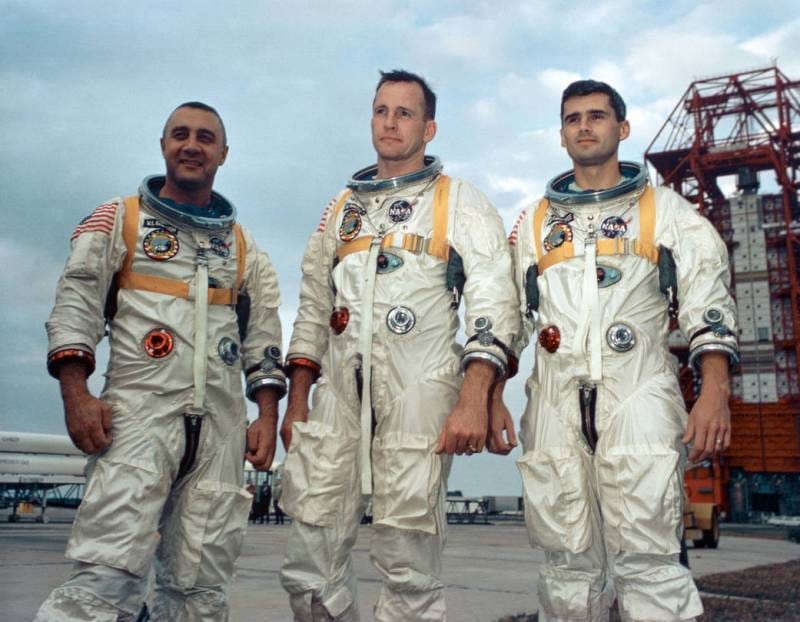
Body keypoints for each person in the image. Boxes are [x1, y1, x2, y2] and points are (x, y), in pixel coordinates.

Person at [278, 69, 519, 621]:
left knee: (408, 565)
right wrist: (296, 403)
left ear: (429, 129)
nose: (390, 122)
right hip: (339, 394)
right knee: (309, 565)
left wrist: (474, 399)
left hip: (420, 390)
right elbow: (313, 306)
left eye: (404, 113)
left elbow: (493, 302)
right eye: (381, 111)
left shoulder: (459, 201)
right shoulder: (342, 208)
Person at [36, 102, 286, 621]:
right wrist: (76, 395)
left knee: (200, 591)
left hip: (219, 432)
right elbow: (76, 305)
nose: (191, 145)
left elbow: (263, 333)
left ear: (223, 153)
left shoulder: (242, 246)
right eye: (180, 134)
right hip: (137, 421)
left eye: (205, 138)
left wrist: (265, 414)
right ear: (163, 145)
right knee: (105, 581)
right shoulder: (119, 219)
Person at [505, 79, 738, 621]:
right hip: (556, 403)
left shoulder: (665, 212)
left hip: (638, 396)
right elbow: (505, 316)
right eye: (572, 119)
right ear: (561, 135)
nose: (584, 127)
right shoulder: (535, 223)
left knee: (649, 565)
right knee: (566, 570)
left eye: (596, 116)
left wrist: (715, 392)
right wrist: (488, 395)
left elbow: (708, 302)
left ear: (622, 128)